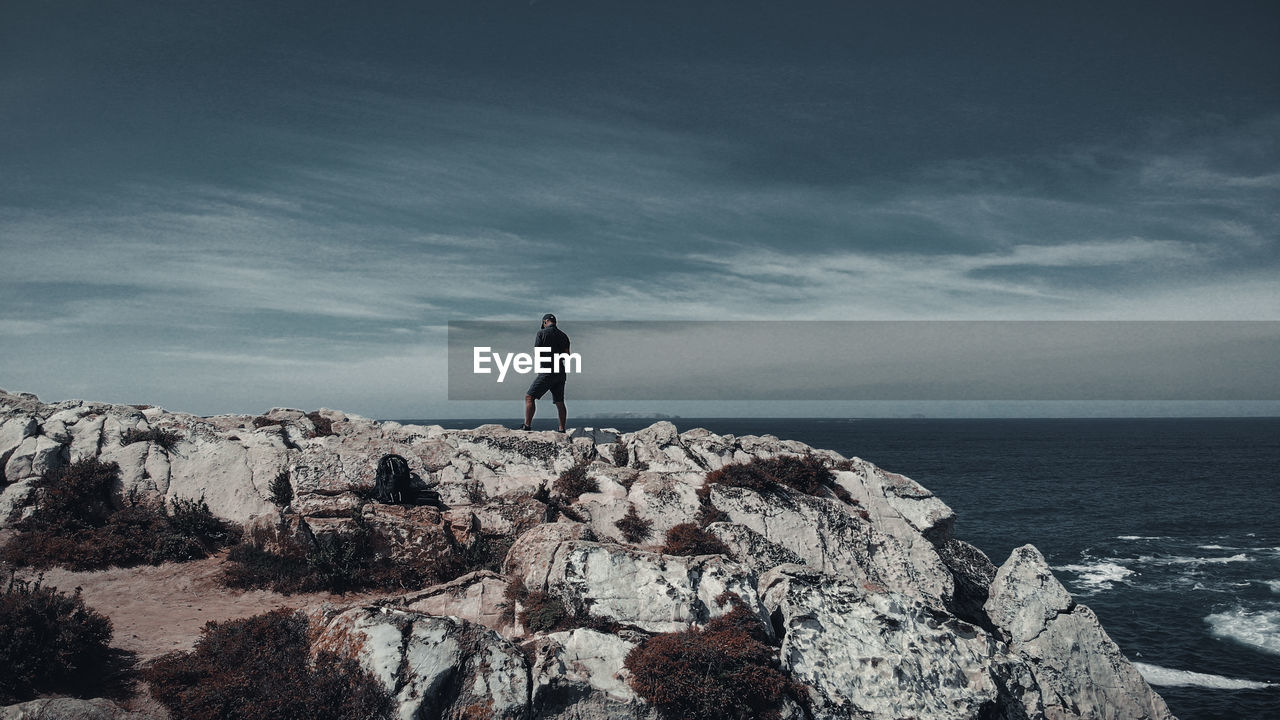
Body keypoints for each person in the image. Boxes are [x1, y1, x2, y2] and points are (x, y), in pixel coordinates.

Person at [522, 313, 570, 432]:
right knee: (559, 401)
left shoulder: (541, 333)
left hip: (547, 371)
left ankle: (527, 426)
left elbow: (537, 353)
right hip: (560, 372)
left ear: (545, 322)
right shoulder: (564, 336)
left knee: (529, 397)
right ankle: (562, 429)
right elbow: (567, 355)